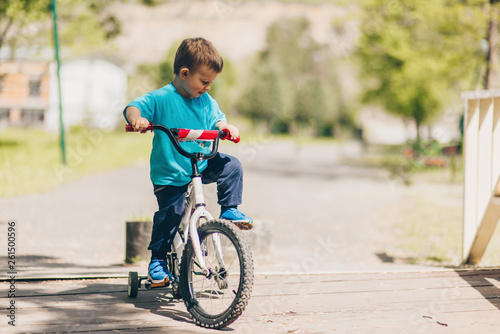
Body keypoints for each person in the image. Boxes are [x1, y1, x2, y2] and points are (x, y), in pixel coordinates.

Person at [124, 37, 252, 284]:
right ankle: (158, 261)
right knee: (171, 213)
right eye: (204, 81)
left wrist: (226, 127)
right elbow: (134, 106)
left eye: (211, 83)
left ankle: (229, 209)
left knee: (231, 166)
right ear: (184, 73)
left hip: (200, 163)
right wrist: (136, 119)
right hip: (171, 172)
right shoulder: (162, 98)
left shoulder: (206, 101)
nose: (208, 87)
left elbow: (218, 119)